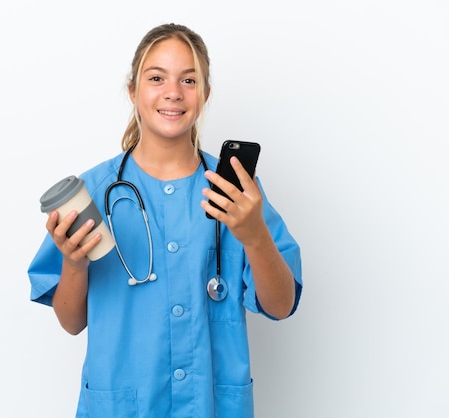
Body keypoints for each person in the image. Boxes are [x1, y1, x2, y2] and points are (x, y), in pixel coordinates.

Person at [27, 23, 302, 418]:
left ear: (205, 94)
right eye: (156, 78)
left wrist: (255, 235)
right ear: (133, 92)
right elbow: (72, 322)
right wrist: (74, 263)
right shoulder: (91, 193)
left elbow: (279, 305)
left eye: (189, 80)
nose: (173, 92)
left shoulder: (239, 192)